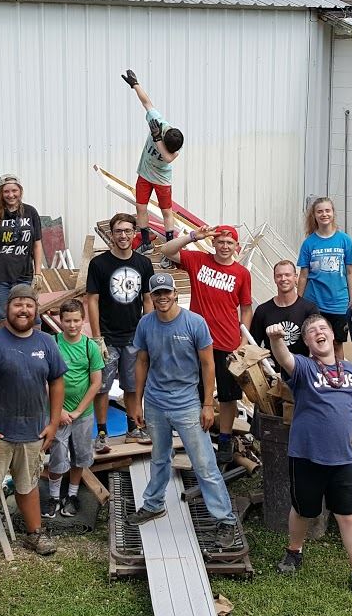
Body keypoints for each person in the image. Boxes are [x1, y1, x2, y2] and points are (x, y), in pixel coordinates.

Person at [267, 314, 352, 605]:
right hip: (307, 455)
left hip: (343, 458)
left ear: (333, 336)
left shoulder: (348, 370)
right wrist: (275, 339)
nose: (319, 333)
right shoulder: (305, 367)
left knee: (347, 514)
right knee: (303, 509)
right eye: (312, 332)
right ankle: (294, 551)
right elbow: (284, 358)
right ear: (307, 342)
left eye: (323, 328)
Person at [126, 273, 244, 550]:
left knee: (203, 463)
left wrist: (206, 404)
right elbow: (142, 362)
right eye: (157, 294)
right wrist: (139, 402)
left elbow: (208, 365)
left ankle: (224, 519)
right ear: (151, 297)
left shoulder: (195, 323)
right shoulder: (145, 324)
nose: (162, 297)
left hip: (187, 404)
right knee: (159, 457)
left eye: (166, 293)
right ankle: (154, 504)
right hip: (155, 403)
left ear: (175, 294)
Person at [0, 284, 65, 572]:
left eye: (29, 305)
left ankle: (35, 534)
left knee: (29, 485)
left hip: (33, 432)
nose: (23, 310)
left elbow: (57, 381)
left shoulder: (47, 342)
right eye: (18, 304)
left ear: (36, 310)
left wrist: (53, 422)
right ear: (7, 308)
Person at [163, 224, 252, 465]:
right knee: (195, 392)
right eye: (221, 242)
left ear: (236, 247)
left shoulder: (242, 274)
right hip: (196, 341)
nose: (224, 246)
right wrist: (193, 236)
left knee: (227, 394)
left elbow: (246, 308)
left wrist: (243, 341)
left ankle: (224, 438)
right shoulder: (198, 260)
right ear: (213, 243)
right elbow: (167, 250)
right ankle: (195, 436)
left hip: (228, 342)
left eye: (229, 243)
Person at [85, 212, 154, 446]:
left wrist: (148, 332)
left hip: (135, 337)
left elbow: (147, 299)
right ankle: (102, 433)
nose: (123, 236)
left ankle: (133, 428)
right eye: (118, 231)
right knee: (102, 386)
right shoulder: (99, 264)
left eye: (127, 231)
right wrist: (96, 338)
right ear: (111, 235)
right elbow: (91, 300)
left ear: (135, 233)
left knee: (133, 385)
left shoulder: (143, 263)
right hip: (107, 336)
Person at [42, 300, 103, 519]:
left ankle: (73, 494)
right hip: (57, 413)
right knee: (58, 454)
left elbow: (96, 382)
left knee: (80, 455)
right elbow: (45, 379)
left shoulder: (90, 347)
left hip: (83, 414)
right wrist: (58, 411)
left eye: (77, 320)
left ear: (83, 320)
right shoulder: (52, 343)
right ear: (60, 320)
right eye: (67, 320)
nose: (72, 325)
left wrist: (78, 411)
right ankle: (54, 496)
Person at [122, 69, 184, 252]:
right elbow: (147, 103)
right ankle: (146, 242)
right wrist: (135, 85)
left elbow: (167, 157)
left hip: (162, 180)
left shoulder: (175, 147)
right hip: (145, 173)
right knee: (140, 206)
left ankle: (171, 245)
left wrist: (156, 139)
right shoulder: (159, 123)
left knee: (166, 212)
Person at [0, 175, 44, 323]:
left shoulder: (30, 213)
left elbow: (37, 244)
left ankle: (32, 346)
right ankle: (1, 347)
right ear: (1, 193)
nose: (11, 195)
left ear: (20, 191)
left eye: (14, 190)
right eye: (6, 191)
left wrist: (38, 274)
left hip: (24, 276)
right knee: (0, 318)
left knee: (32, 319)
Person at [296, 197, 352, 354]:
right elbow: (303, 275)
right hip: (314, 302)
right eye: (320, 211)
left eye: (327, 210)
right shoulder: (309, 243)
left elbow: (351, 272)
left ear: (333, 213)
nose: (324, 214)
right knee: (314, 343)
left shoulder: (344, 240)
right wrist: (298, 300)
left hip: (339, 303)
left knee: (336, 343)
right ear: (314, 216)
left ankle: (339, 377)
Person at [250, 260, 316, 357]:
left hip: (301, 369)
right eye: (279, 275)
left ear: (295, 277)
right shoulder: (262, 311)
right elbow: (253, 345)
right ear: (274, 279)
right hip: (272, 370)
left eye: (287, 275)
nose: (283, 279)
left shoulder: (309, 309)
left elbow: (317, 344)